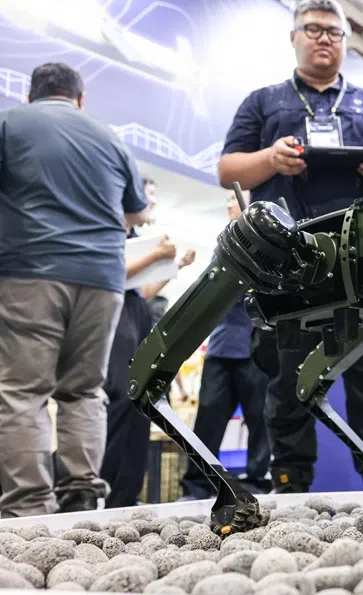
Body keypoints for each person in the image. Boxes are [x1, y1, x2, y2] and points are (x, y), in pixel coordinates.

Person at [218, 0, 363, 493]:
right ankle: (289, 488)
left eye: (334, 31)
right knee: (286, 382)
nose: (324, 38)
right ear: (294, 38)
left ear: (346, 42)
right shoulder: (264, 102)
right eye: (312, 28)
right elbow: (228, 170)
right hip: (286, 264)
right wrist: (271, 158)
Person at [0, 62, 149, 516]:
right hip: (104, 280)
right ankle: (83, 496)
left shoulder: (11, 122)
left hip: (31, 271)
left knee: (23, 392)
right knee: (84, 391)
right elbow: (137, 213)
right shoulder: (109, 135)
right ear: (79, 99)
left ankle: (29, 509)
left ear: (31, 95)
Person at [100, 176, 195, 508]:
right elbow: (114, 276)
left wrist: (174, 266)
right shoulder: (109, 233)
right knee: (121, 397)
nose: (151, 202)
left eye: (154, 197)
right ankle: (102, 491)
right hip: (113, 317)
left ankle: (127, 495)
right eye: (147, 196)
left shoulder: (139, 240)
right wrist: (156, 254)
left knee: (142, 400)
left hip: (136, 315)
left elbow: (142, 292)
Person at [179, 190, 271, 500]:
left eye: (235, 199)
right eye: (230, 201)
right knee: (208, 418)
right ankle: (196, 484)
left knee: (260, 419)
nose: (230, 203)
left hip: (254, 348)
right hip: (220, 349)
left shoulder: (270, 247)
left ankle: (258, 481)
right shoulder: (224, 245)